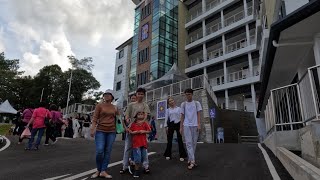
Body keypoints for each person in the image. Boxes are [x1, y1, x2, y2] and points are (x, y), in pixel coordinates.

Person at [121, 88, 150, 174]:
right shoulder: (131, 105)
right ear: (136, 94)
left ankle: (146, 166)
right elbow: (126, 115)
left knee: (144, 148)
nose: (140, 95)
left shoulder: (145, 105)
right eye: (139, 93)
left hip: (141, 130)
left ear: (144, 95)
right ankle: (125, 166)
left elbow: (146, 115)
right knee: (127, 148)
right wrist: (127, 120)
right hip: (131, 128)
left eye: (142, 94)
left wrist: (142, 122)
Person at [90, 90, 118, 179]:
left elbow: (119, 119)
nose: (106, 96)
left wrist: (125, 128)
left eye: (108, 94)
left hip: (112, 132)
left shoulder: (115, 107)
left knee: (107, 151)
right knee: (100, 151)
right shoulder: (99, 106)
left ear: (112, 96)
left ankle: (103, 171)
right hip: (100, 130)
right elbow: (94, 118)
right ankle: (98, 169)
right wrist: (92, 128)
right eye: (105, 94)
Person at [180, 88, 202, 170]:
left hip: (195, 125)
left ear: (192, 94)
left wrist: (199, 124)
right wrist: (181, 127)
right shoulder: (183, 104)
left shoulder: (197, 103)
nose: (188, 96)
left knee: (194, 144)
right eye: (186, 94)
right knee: (188, 143)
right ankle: (192, 161)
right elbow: (182, 116)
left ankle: (190, 159)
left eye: (189, 94)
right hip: (186, 125)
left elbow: (199, 114)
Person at [164, 97, 187, 161]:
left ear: (174, 101)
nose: (171, 102)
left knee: (180, 140)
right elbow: (166, 118)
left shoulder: (179, 109)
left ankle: (182, 155)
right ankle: (168, 154)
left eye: (172, 100)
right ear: (168, 103)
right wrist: (166, 127)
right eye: (170, 101)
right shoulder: (168, 110)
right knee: (169, 140)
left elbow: (182, 117)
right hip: (171, 124)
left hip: (178, 124)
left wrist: (182, 126)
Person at [129, 111, 151, 178]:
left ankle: (132, 162)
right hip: (136, 144)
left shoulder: (145, 123)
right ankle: (136, 170)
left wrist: (144, 131)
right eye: (139, 114)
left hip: (143, 143)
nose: (141, 115)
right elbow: (129, 131)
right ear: (136, 116)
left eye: (142, 114)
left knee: (143, 158)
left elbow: (149, 131)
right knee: (138, 158)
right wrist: (133, 132)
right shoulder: (133, 124)